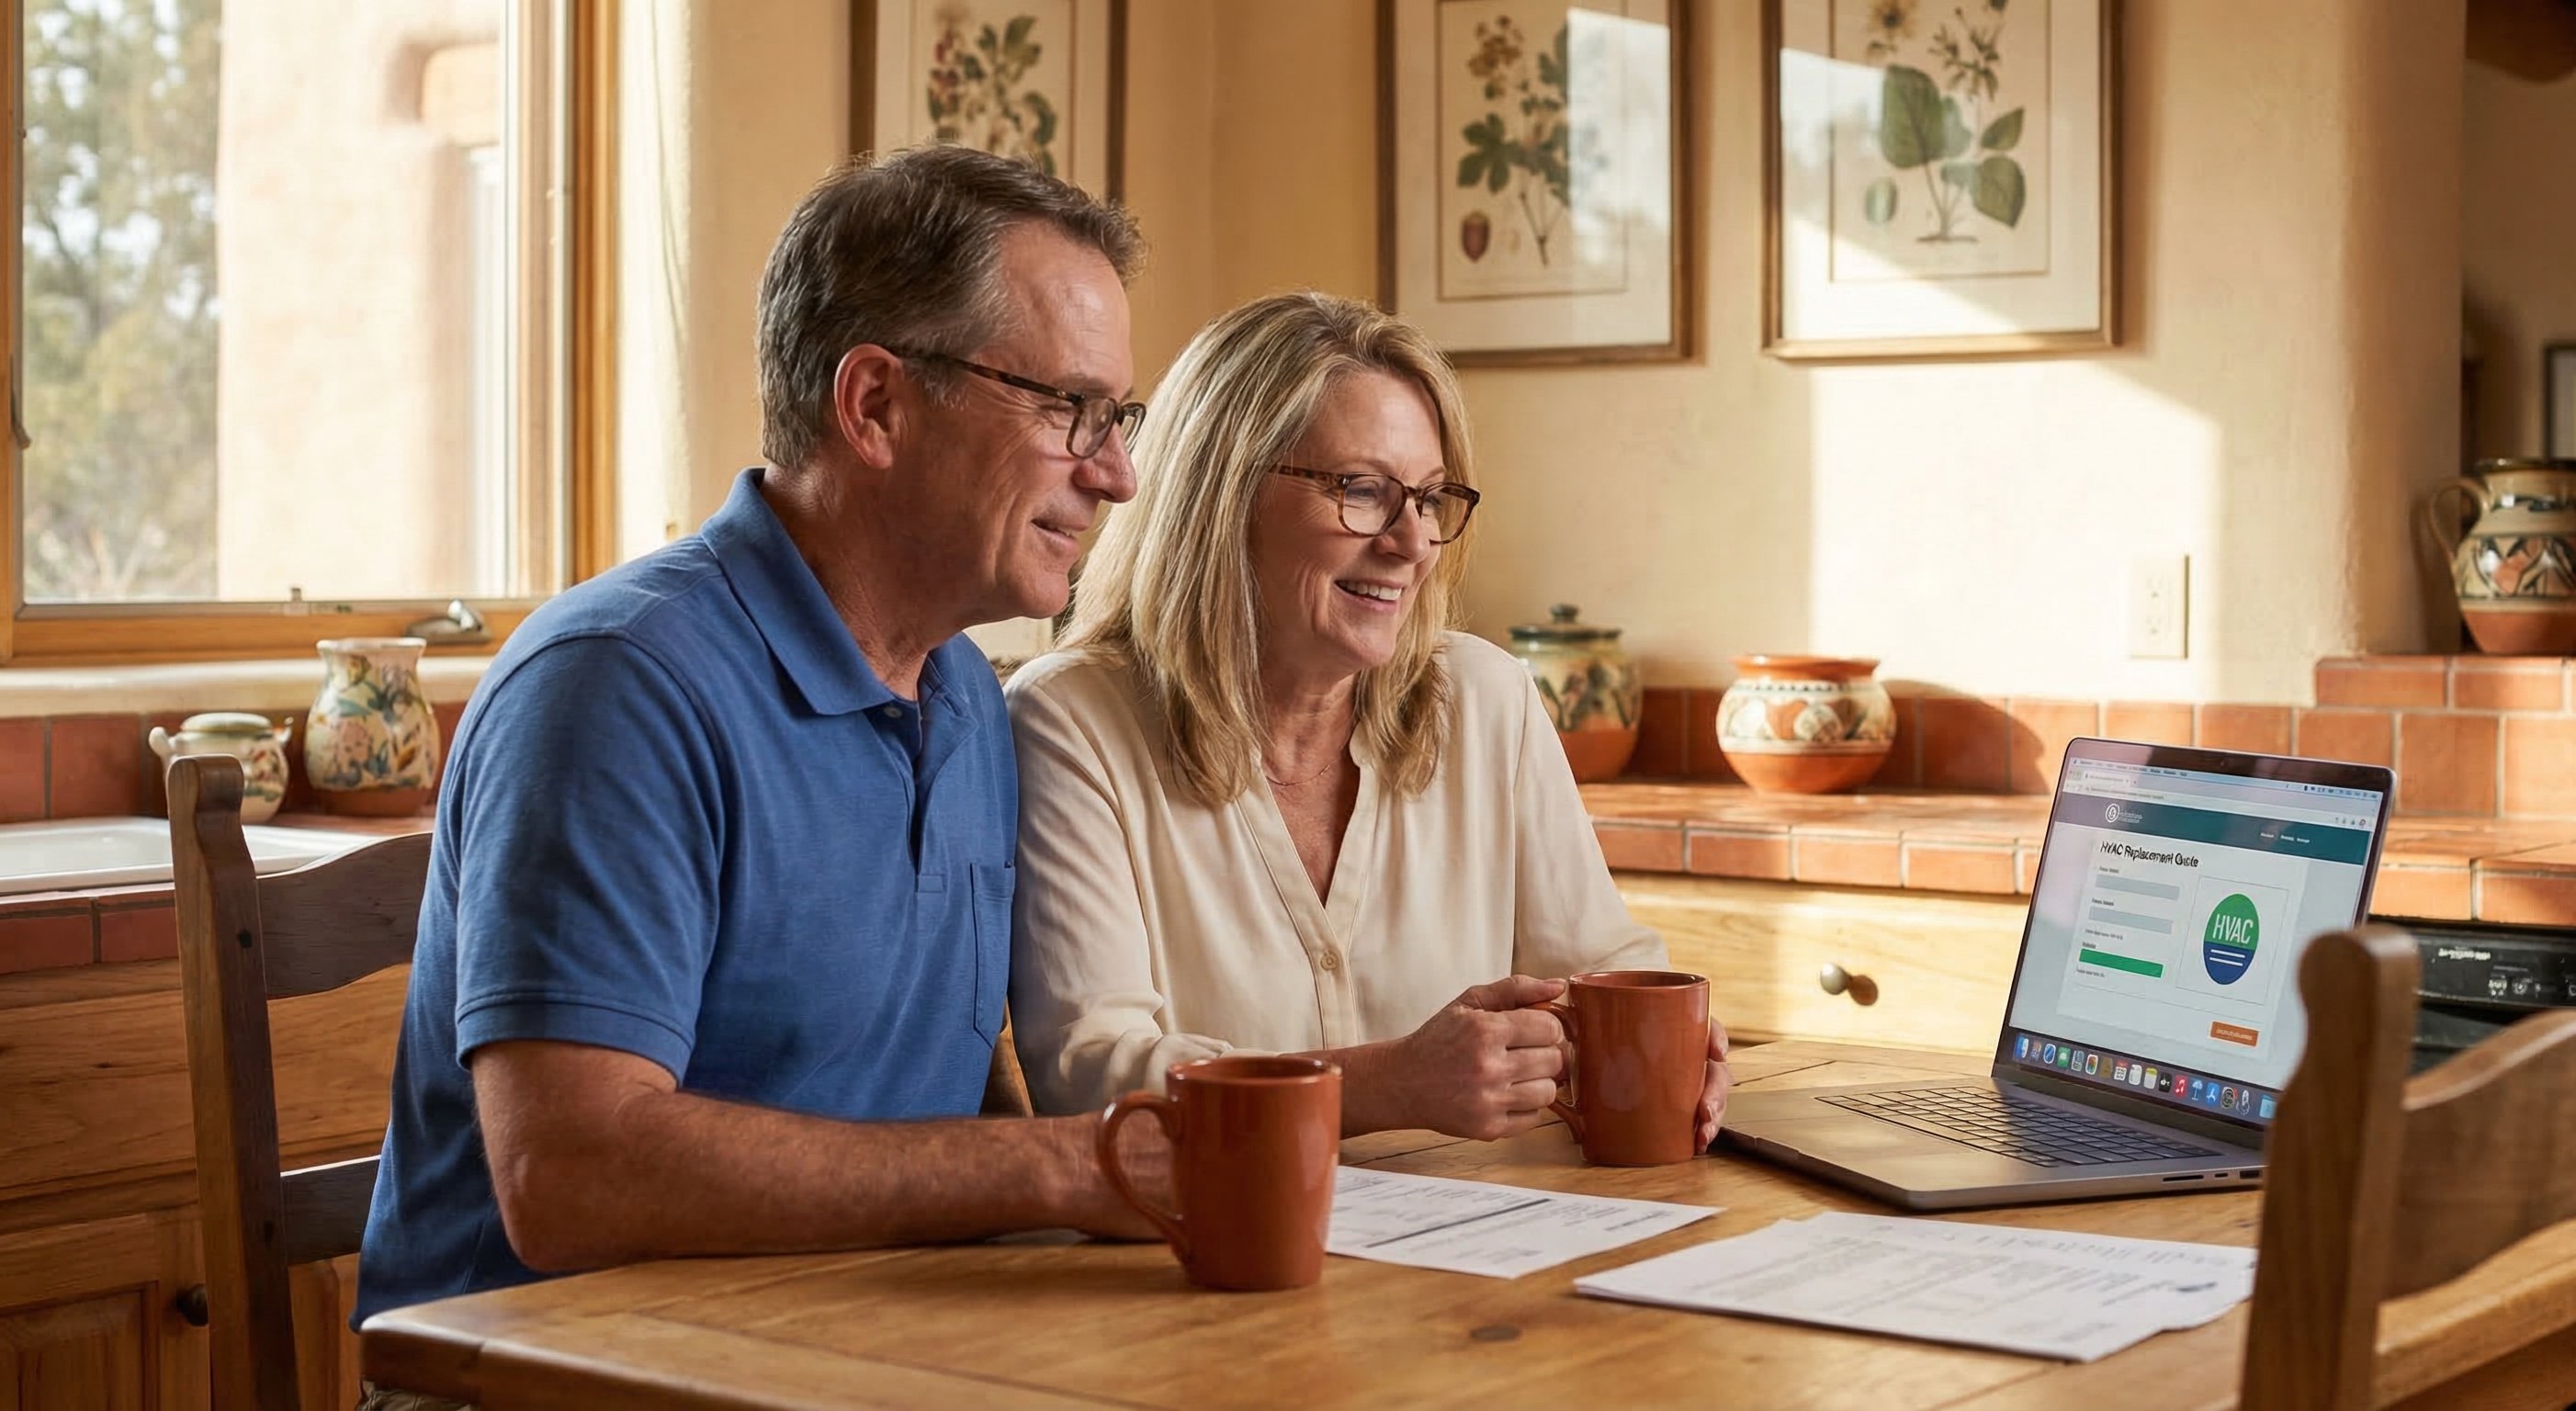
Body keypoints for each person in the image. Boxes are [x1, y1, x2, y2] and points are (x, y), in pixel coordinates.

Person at [353, 146, 1169, 1354]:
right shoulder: (618, 684)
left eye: (1119, 417)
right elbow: (569, 1175)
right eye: (1069, 409)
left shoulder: (971, 699)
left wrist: (1082, 1176)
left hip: (856, 1350)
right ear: (876, 405)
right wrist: (1056, 1169)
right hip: (547, 1379)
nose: (1117, 474)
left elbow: (941, 1093)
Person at [1005, 292, 1730, 1144]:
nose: (1412, 541)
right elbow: (1089, 1076)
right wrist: (1384, 1085)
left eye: (1429, 498)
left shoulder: (1486, 698)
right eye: (1361, 490)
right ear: (1219, 497)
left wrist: (1676, 1043)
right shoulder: (1069, 721)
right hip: (1212, 1259)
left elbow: (1600, 972)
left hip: (1485, 1245)